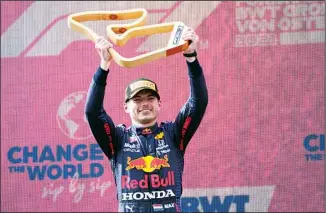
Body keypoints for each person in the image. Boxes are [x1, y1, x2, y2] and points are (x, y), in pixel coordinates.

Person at [85, 27, 208, 212]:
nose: (145, 104)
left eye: (150, 98)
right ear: (126, 107)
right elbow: (92, 112)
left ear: (159, 104)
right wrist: (104, 65)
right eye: (137, 99)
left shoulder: (173, 134)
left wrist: (191, 57)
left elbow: (198, 103)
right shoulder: (118, 139)